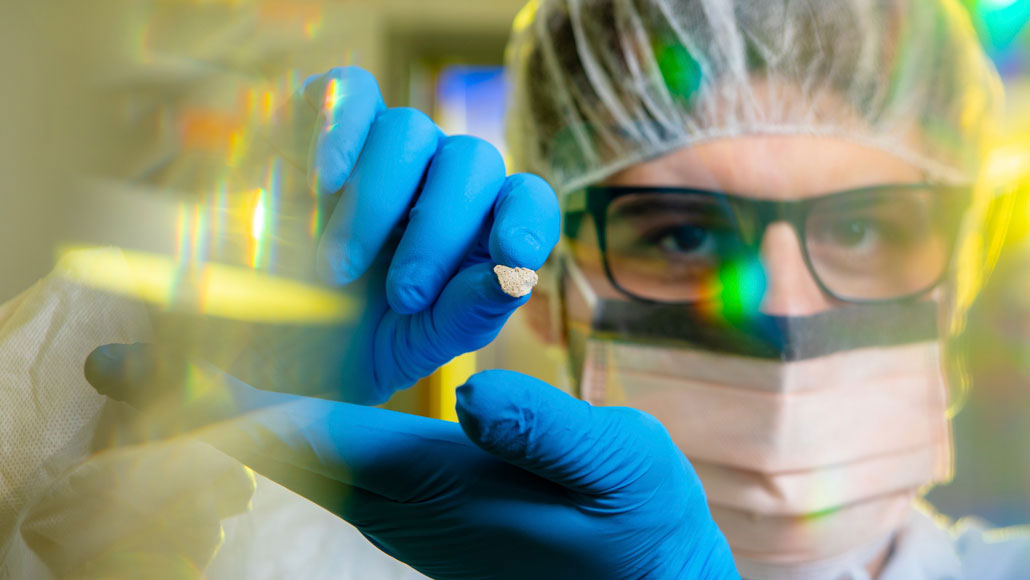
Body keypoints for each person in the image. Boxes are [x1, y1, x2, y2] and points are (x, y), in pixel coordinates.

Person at [78, 0, 1029, 579]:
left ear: (962, 267)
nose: (780, 309)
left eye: (860, 229)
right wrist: (173, 461)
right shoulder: (297, 567)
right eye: (684, 233)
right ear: (556, 285)